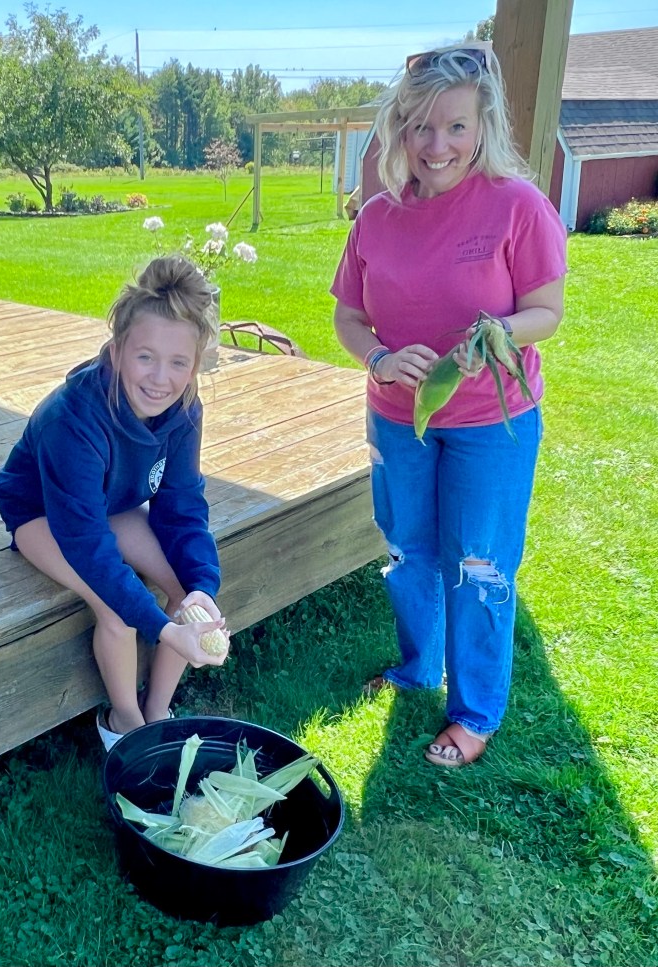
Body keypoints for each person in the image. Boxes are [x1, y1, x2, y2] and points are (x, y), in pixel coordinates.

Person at [329, 43, 567, 767]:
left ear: (482, 126)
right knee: (409, 551)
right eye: (421, 127)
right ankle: (417, 666)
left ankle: (474, 711)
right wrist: (379, 358)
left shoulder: (517, 206)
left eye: (456, 127)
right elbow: (348, 317)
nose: (438, 146)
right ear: (399, 130)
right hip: (396, 416)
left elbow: (546, 310)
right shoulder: (376, 217)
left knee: (479, 562)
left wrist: (498, 332)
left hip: (491, 421)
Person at [0, 255, 230, 750]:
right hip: (42, 513)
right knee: (117, 612)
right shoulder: (71, 419)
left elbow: (183, 506)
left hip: (111, 504)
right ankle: (125, 725)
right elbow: (86, 543)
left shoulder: (184, 409)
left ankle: (158, 714)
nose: (160, 378)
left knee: (183, 589)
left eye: (178, 362)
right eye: (145, 357)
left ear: (195, 365)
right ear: (117, 351)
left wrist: (203, 588)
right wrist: (163, 629)